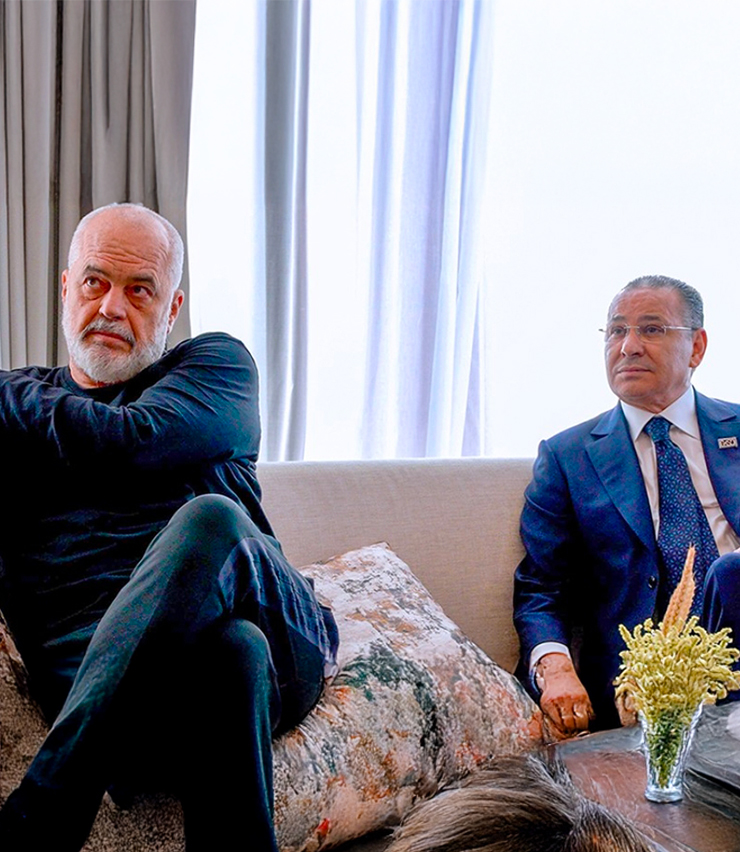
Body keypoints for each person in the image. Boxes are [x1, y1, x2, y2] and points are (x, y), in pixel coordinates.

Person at [0, 202, 338, 851]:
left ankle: (39, 818)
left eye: (139, 290)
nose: (111, 307)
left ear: (173, 307)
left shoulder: (214, 369)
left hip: (283, 643)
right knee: (231, 653)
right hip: (106, 688)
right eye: (95, 282)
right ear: (66, 288)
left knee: (211, 520)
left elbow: (129, 442)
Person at [514, 275, 740, 735]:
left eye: (651, 329)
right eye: (616, 331)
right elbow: (541, 588)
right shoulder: (569, 456)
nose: (628, 346)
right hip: (647, 686)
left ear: (696, 347)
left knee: (730, 572)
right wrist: (555, 668)